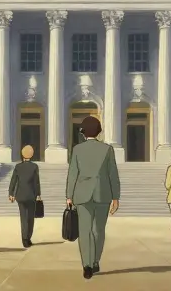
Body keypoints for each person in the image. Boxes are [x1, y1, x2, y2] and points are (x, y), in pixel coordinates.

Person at [65, 115, 120, 279]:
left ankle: (86, 265)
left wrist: (69, 195)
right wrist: (116, 197)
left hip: (82, 194)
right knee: (99, 231)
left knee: (84, 231)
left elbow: (73, 174)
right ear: (99, 132)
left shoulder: (77, 150)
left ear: (83, 132)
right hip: (103, 193)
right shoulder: (108, 149)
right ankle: (96, 261)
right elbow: (113, 174)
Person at [7, 144, 42, 247]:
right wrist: (38, 194)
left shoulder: (18, 167)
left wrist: (11, 193)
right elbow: (36, 182)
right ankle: (28, 237)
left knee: (23, 218)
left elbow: (13, 181)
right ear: (31, 155)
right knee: (30, 218)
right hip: (31, 195)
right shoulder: (34, 166)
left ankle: (24, 238)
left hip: (20, 195)